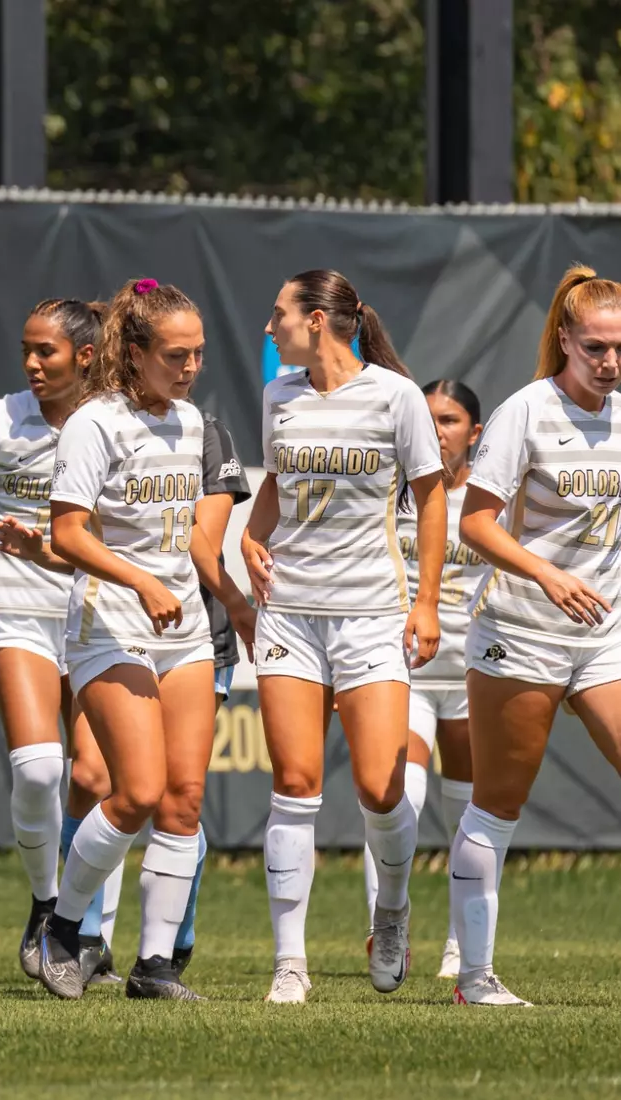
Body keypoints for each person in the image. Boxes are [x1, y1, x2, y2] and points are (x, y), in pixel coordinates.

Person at [6, 277, 217, 1001]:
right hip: (112, 623)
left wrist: (220, 593)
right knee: (136, 792)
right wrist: (143, 582)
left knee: (183, 799)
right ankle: (64, 927)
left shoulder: (191, 421)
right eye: (175, 355)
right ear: (134, 352)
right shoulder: (95, 422)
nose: (189, 368)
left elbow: (187, 533)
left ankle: (154, 966)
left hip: (183, 629)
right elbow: (67, 534)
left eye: (197, 354)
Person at [242, 269, 446, 1004]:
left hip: (371, 613)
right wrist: (250, 539)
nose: (271, 327)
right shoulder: (279, 395)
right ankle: (289, 962)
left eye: (280, 314)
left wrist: (426, 602)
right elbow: (275, 486)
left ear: (319, 320)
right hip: (290, 612)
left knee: (380, 789)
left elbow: (430, 498)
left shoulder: (396, 396)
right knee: (294, 784)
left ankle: (390, 911)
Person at [450, 265, 621, 1007]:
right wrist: (547, 575)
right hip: (520, 632)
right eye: (595, 347)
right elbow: (475, 523)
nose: (609, 362)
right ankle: (474, 977)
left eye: (620, 348)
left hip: (604, 635)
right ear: (565, 340)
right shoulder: (526, 410)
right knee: (498, 803)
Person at [0, 298, 99, 978]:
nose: (32, 363)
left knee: (97, 779)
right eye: (26, 349)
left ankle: (85, 926)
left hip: (98, 616)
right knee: (41, 769)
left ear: (86, 356)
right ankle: (47, 905)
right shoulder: (1, 416)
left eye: (46, 351)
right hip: (15, 609)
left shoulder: (115, 423)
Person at [362, 378, 486, 980]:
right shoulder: (397, 491)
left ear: (475, 433)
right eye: (430, 418)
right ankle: (386, 927)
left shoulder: (492, 500)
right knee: (395, 798)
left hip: (472, 675)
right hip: (405, 671)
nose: (439, 431)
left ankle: (462, 943)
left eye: (451, 420)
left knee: (469, 816)